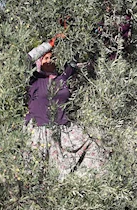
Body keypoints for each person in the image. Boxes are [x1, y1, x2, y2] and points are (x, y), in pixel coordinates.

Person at [26, 37, 105, 176]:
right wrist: (49, 44)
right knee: (36, 175)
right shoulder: (33, 80)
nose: (50, 60)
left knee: (94, 143)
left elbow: (78, 53)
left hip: (63, 132)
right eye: (46, 58)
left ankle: (84, 186)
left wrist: (71, 35)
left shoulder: (63, 77)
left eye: (52, 57)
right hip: (38, 132)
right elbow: (24, 60)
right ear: (39, 61)